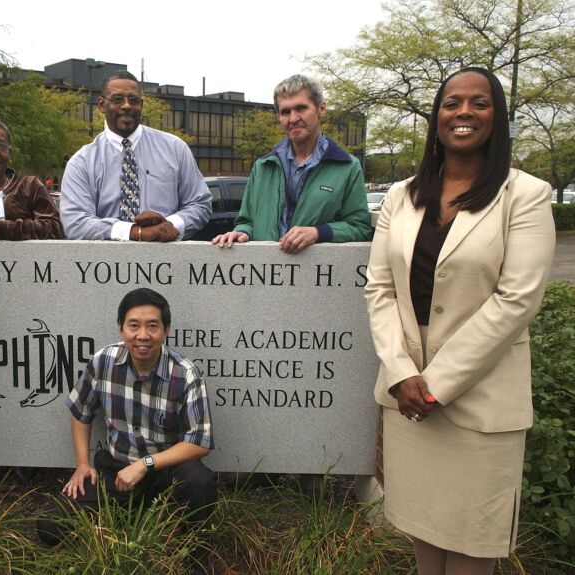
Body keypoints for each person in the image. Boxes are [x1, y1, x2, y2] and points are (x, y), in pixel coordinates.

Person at [364, 68, 555, 573]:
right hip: (407, 393)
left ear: (498, 117)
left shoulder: (526, 195)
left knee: (473, 546)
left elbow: (517, 300)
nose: (464, 113)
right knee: (423, 534)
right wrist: (403, 372)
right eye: (452, 103)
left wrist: (435, 384)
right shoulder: (402, 197)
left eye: (479, 103)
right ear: (437, 116)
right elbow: (379, 289)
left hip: (479, 396)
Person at [37, 289, 216, 554]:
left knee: (199, 480)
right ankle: (118, 525)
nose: (143, 335)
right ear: (121, 329)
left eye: (152, 326)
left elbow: (199, 443)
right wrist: (82, 464)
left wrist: (146, 464)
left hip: (164, 472)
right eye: (134, 325)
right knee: (50, 526)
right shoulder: (103, 361)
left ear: (166, 330)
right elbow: (80, 410)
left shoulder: (185, 374)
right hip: (115, 470)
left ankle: (194, 555)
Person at [212, 74, 371, 253]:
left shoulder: (348, 167)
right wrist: (240, 232)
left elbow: (360, 228)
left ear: (321, 109)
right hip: (264, 275)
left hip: (313, 276)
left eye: (301, 108)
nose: (293, 118)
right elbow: (246, 221)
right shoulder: (262, 167)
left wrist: (318, 232)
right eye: (285, 112)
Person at [60, 71, 211, 241]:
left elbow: (200, 204)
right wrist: (135, 233)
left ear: (142, 105)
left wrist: (170, 225)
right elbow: (75, 222)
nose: (126, 106)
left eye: (133, 100)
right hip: (105, 264)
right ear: (102, 105)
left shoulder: (175, 149)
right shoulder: (81, 163)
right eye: (117, 100)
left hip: (168, 261)